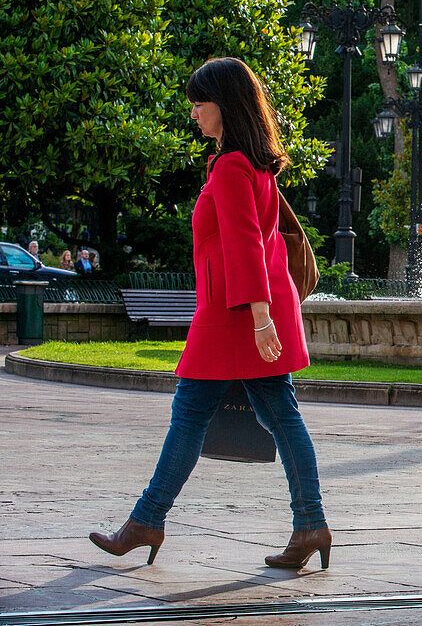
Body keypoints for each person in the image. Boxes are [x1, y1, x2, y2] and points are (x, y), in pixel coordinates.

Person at [89, 57, 329, 570]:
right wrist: (265, 315)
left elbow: (245, 245)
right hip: (250, 310)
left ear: (227, 104)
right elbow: (261, 244)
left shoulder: (231, 167)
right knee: (279, 416)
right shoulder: (254, 164)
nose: (194, 111)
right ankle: (310, 524)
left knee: (193, 414)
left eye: (200, 102)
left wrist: (261, 320)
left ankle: (147, 520)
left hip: (235, 315)